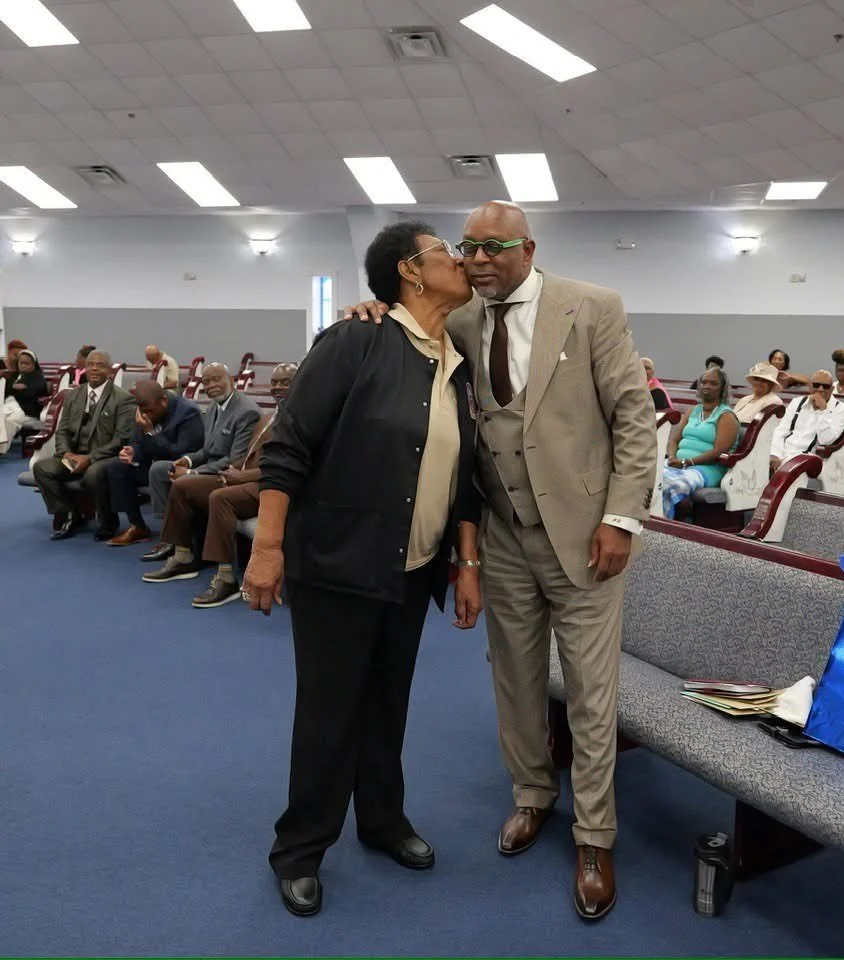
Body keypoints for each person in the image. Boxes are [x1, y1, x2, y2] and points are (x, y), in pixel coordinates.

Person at [338, 201, 659, 921]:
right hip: (504, 535)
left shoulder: (592, 307)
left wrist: (620, 519)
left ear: (528, 249)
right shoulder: (459, 319)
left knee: (591, 692)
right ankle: (533, 794)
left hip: (586, 537)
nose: (477, 260)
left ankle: (595, 837)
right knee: (515, 679)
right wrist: (373, 309)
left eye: (493, 247)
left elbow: (634, 422)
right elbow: (410, 334)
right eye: (467, 247)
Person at [242, 222, 483, 918]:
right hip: (339, 561)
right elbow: (288, 446)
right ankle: (300, 848)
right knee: (329, 713)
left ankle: (382, 821)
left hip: (412, 568)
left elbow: (465, 478)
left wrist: (465, 562)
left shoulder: (454, 361)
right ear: (410, 270)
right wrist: (267, 548)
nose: (460, 260)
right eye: (446, 252)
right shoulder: (356, 339)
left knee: (387, 703)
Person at [142, 363, 298, 608]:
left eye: (286, 382)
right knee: (182, 486)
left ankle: (226, 578)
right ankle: (183, 557)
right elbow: (229, 455)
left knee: (220, 497)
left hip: (273, 486)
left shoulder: (297, 420)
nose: (278, 387)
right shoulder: (269, 417)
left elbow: (284, 467)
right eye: (275, 382)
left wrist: (239, 476)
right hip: (247, 477)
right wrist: (192, 463)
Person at [140, 363, 260, 562]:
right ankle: (169, 537)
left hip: (228, 474)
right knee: (160, 469)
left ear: (231, 381)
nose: (211, 385)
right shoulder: (213, 407)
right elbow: (206, 450)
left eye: (216, 379)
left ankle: (183, 551)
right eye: (206, 381)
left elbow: (236, 460)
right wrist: (187, 460)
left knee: (182, 482)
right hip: (210, 467)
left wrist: (191, 473)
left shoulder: (246, 412)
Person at [31, 350, 136, 540]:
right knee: (42, 468)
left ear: (109, 371)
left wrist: (89, 458)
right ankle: (69, 514)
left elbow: (121, 439)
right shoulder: (74, 395)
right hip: (74, 455)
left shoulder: (123, 398)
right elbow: (62, 430)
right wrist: (66, 453)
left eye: (100, 365)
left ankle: (108, 521)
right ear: (84, 368)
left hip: (104, 457)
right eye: (90, 364)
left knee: (93, 474)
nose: (94, 368)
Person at [97, 380, 204, 544]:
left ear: (164, 401)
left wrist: (151, 433)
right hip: (151, 465)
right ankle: (137, 526)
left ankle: (172, 535)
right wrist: (133, 452)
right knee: (116, 467)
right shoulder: (144, 410)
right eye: (143, 411)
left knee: (157, 468)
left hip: (176, 469)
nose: (147, 415)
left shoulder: (188, 413)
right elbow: (138, 442)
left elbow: (182, 453)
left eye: (151, 411)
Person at [662, 368, 739, 518]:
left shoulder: (726, 416)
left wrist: (687, 462)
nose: (707, 386)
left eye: (713, 383)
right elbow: (674, 440)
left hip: (707, 469)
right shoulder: (693, 411)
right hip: (679, 464)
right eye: (704, 382)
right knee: (648, 477)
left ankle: (666, 524)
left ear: (722, 389)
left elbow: (718, 452)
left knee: (670, 486)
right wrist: (671, 457)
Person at [770, 370, 844, 472]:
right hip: (783, 453)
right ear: (810, 387)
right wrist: (775, 454)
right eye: (816, 385)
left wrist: (823, 411)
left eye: (825, 386)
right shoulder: (797, 402)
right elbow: (781, 431)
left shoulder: (841, 409)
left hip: (807, 459)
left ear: (832, 389)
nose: (820, 389)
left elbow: (826, 440)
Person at [1, 349, 49, 453]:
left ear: (33, 365)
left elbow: (32, 392)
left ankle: (1, 450)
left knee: (10, 420)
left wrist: (17, 389)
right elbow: (6, 390)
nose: (23, 366)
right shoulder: (14, 376)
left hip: (28, 412)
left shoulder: (38, 378)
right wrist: (14, 388)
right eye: (21, 363)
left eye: (26, 363)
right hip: (11, 408)